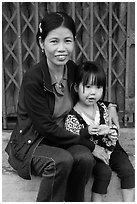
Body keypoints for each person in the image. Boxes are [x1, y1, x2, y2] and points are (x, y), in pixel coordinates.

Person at [5, 12, 119, 202]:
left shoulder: (73, 70)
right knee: (61, 160)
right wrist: (91, 145)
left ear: (74, 41)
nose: (61, 48)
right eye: (54, 41)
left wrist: (111, 106)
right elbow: (45, 128)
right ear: (42, 43)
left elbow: (88, 94)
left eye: (67, 41)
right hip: (33, 143)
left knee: (84, 159)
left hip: (63, 138)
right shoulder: (34, 79)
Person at [64, 61, 135, 202]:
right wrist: (87, 131)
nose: (93, 92)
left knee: (128, 171)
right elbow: (73, 136)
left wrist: (111, 131)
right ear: (76, 87)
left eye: (98, 87)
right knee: (104, 173)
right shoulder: (73, 115)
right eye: (88, 86)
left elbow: (114, 130)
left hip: (112, 148)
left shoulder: (103, 108)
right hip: (94, 154)